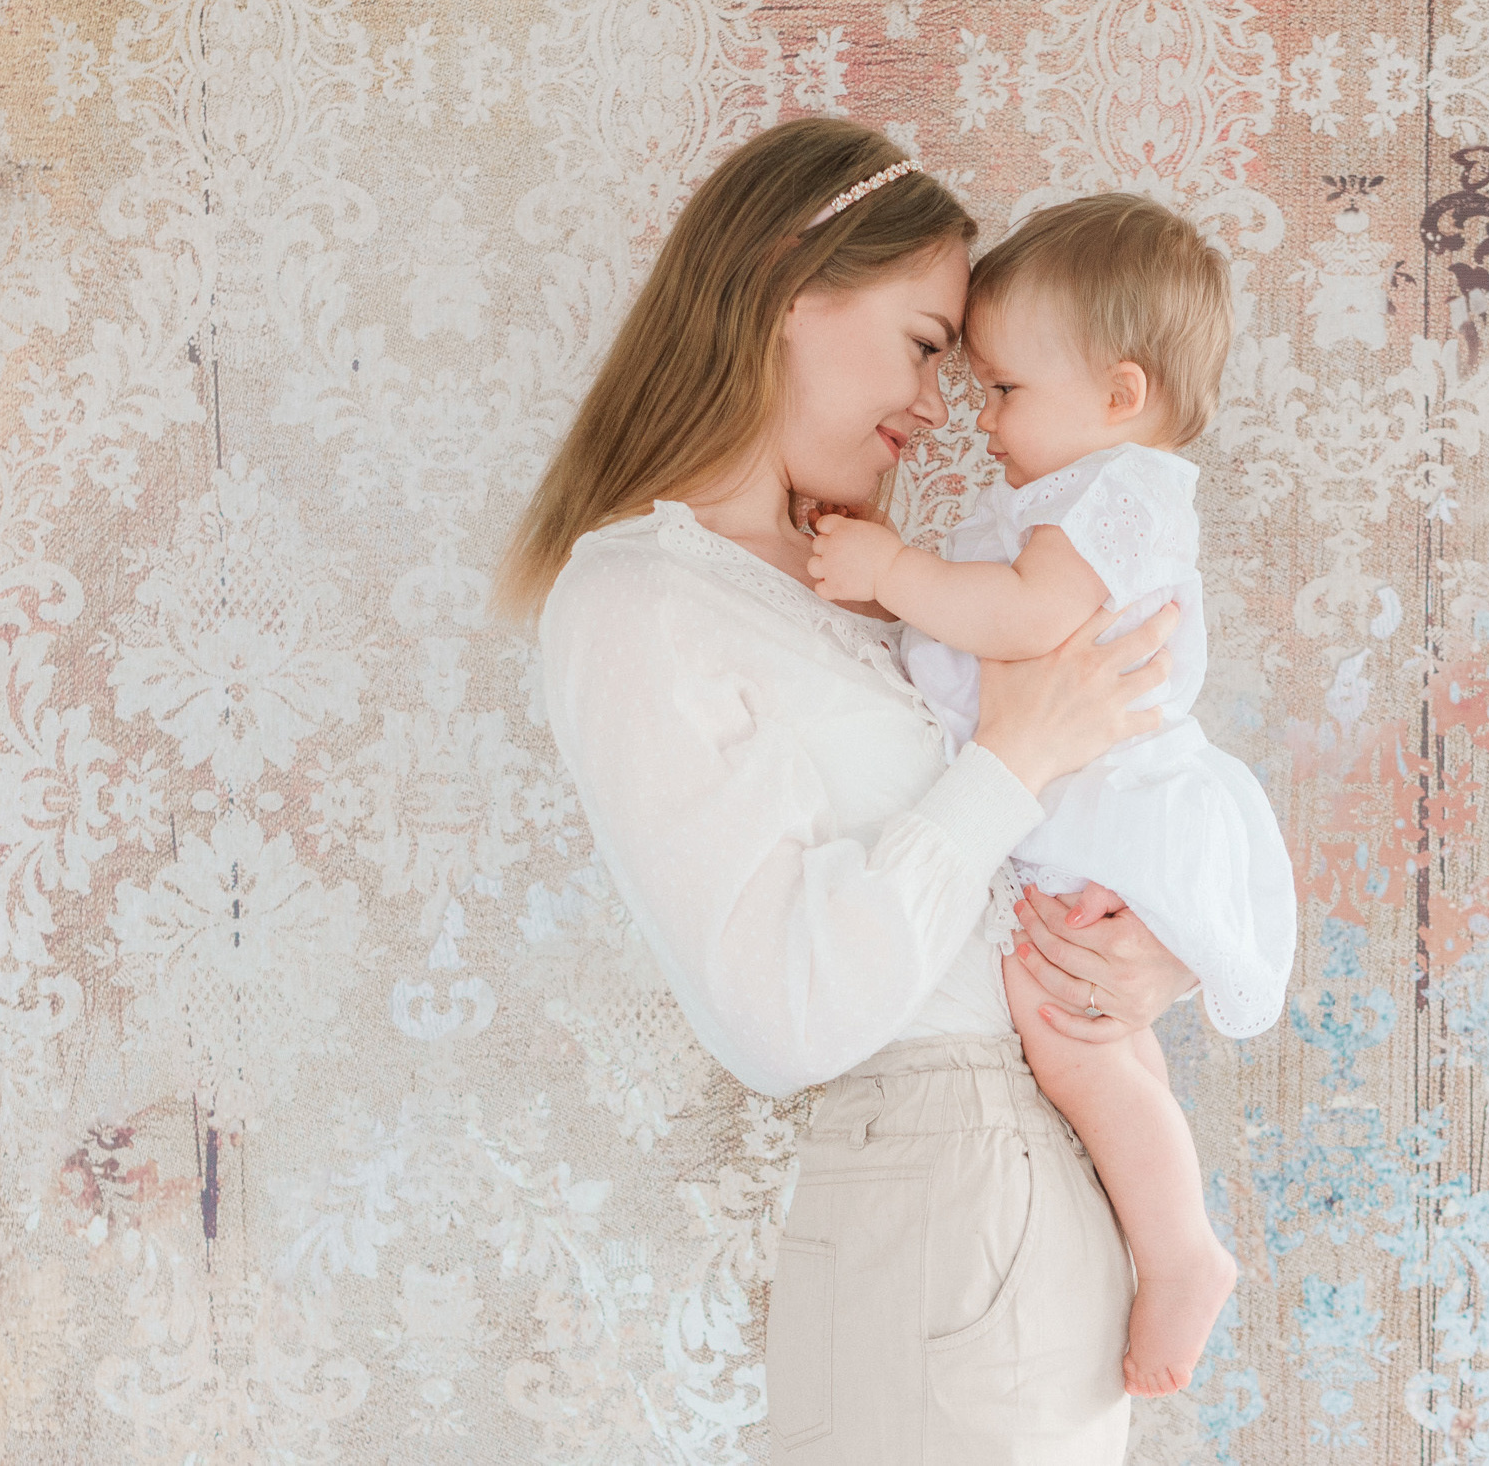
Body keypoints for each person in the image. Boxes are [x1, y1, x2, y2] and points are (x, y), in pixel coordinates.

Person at [498, 119, 1249, 1463]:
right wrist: (1012, 761)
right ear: (793, 288)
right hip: (942, 1193)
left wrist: (1144, 958)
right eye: (921, 343)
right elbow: (786, 1014)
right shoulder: (641, 599)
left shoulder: (852, 589)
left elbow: (1029, 845)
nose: (940, 406)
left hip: (1039, 1188)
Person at [806, 193, 1296, 1396]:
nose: (976, 420)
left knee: (1072, 1042)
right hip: (1084, 803)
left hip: (1105, 804)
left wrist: (891, 567)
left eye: (1003, 391)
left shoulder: (1119, 494)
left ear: (1120, 395)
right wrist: (894, 591)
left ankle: (1180, 1249)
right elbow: (981, 643)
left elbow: (1023, 620)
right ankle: (1173, 1234)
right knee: (1107, 1045)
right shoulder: (1068, 499)